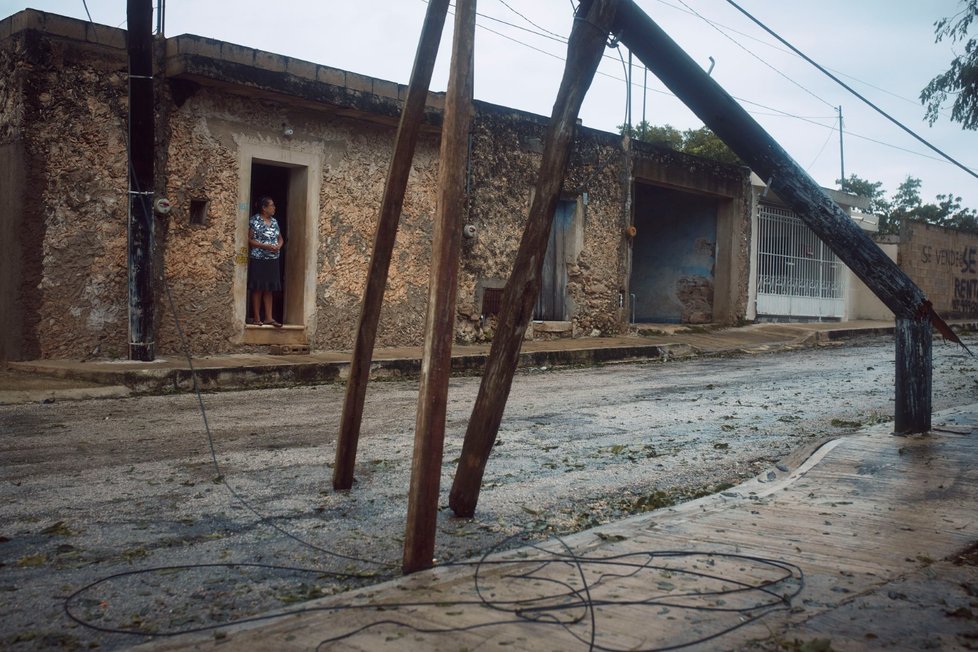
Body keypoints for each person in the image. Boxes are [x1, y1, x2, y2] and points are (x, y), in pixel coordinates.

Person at [247, 196, 284, 327]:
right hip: (259, 259)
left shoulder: (274, 222)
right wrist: (265, 246)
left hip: (273, 260)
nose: (274, 208)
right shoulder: (254, 221)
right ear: (264, 208)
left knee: (269, 288)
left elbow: (280, 238)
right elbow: (249, 240)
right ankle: (257, 318)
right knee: (257, 288)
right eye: (271, 205)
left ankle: (269, 317)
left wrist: (279, 246)